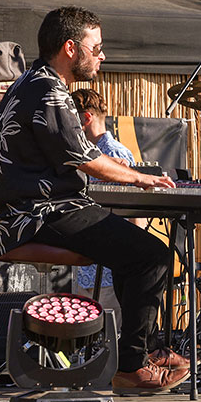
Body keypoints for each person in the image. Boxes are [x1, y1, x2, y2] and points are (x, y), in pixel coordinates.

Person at [0, 7, 190, 394]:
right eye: (96, 48)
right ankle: (130, 368)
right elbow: (85, 158)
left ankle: (137, 355)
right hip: (38, 214)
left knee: (135, 254)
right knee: (151, 256)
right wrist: (140, 178)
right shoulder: (47, 90)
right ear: (69, 48)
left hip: (30, 211)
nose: (102, 55)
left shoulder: (30, 83)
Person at [70, 88, 135, 306]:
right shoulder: (84, 154)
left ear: (86, 118)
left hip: (108, 274)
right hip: (86, 268)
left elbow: (135, 211)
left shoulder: (115, 153)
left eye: (72, 119)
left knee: (110, 336)